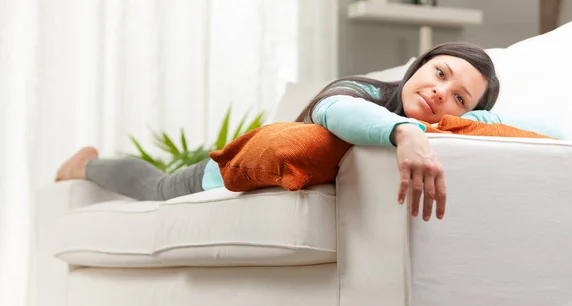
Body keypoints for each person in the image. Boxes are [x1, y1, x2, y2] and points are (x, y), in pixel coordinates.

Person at [56, 41, 503, 222]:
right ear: (419, 65)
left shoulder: (447, 124)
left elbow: (537, 130)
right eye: (439, 72)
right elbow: (335, 110)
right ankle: (88, 163)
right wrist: (406, 133)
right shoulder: (362, 93)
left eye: (461, 98)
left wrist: (468, 120)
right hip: (216, 175)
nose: (441, 92)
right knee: (152, 185)